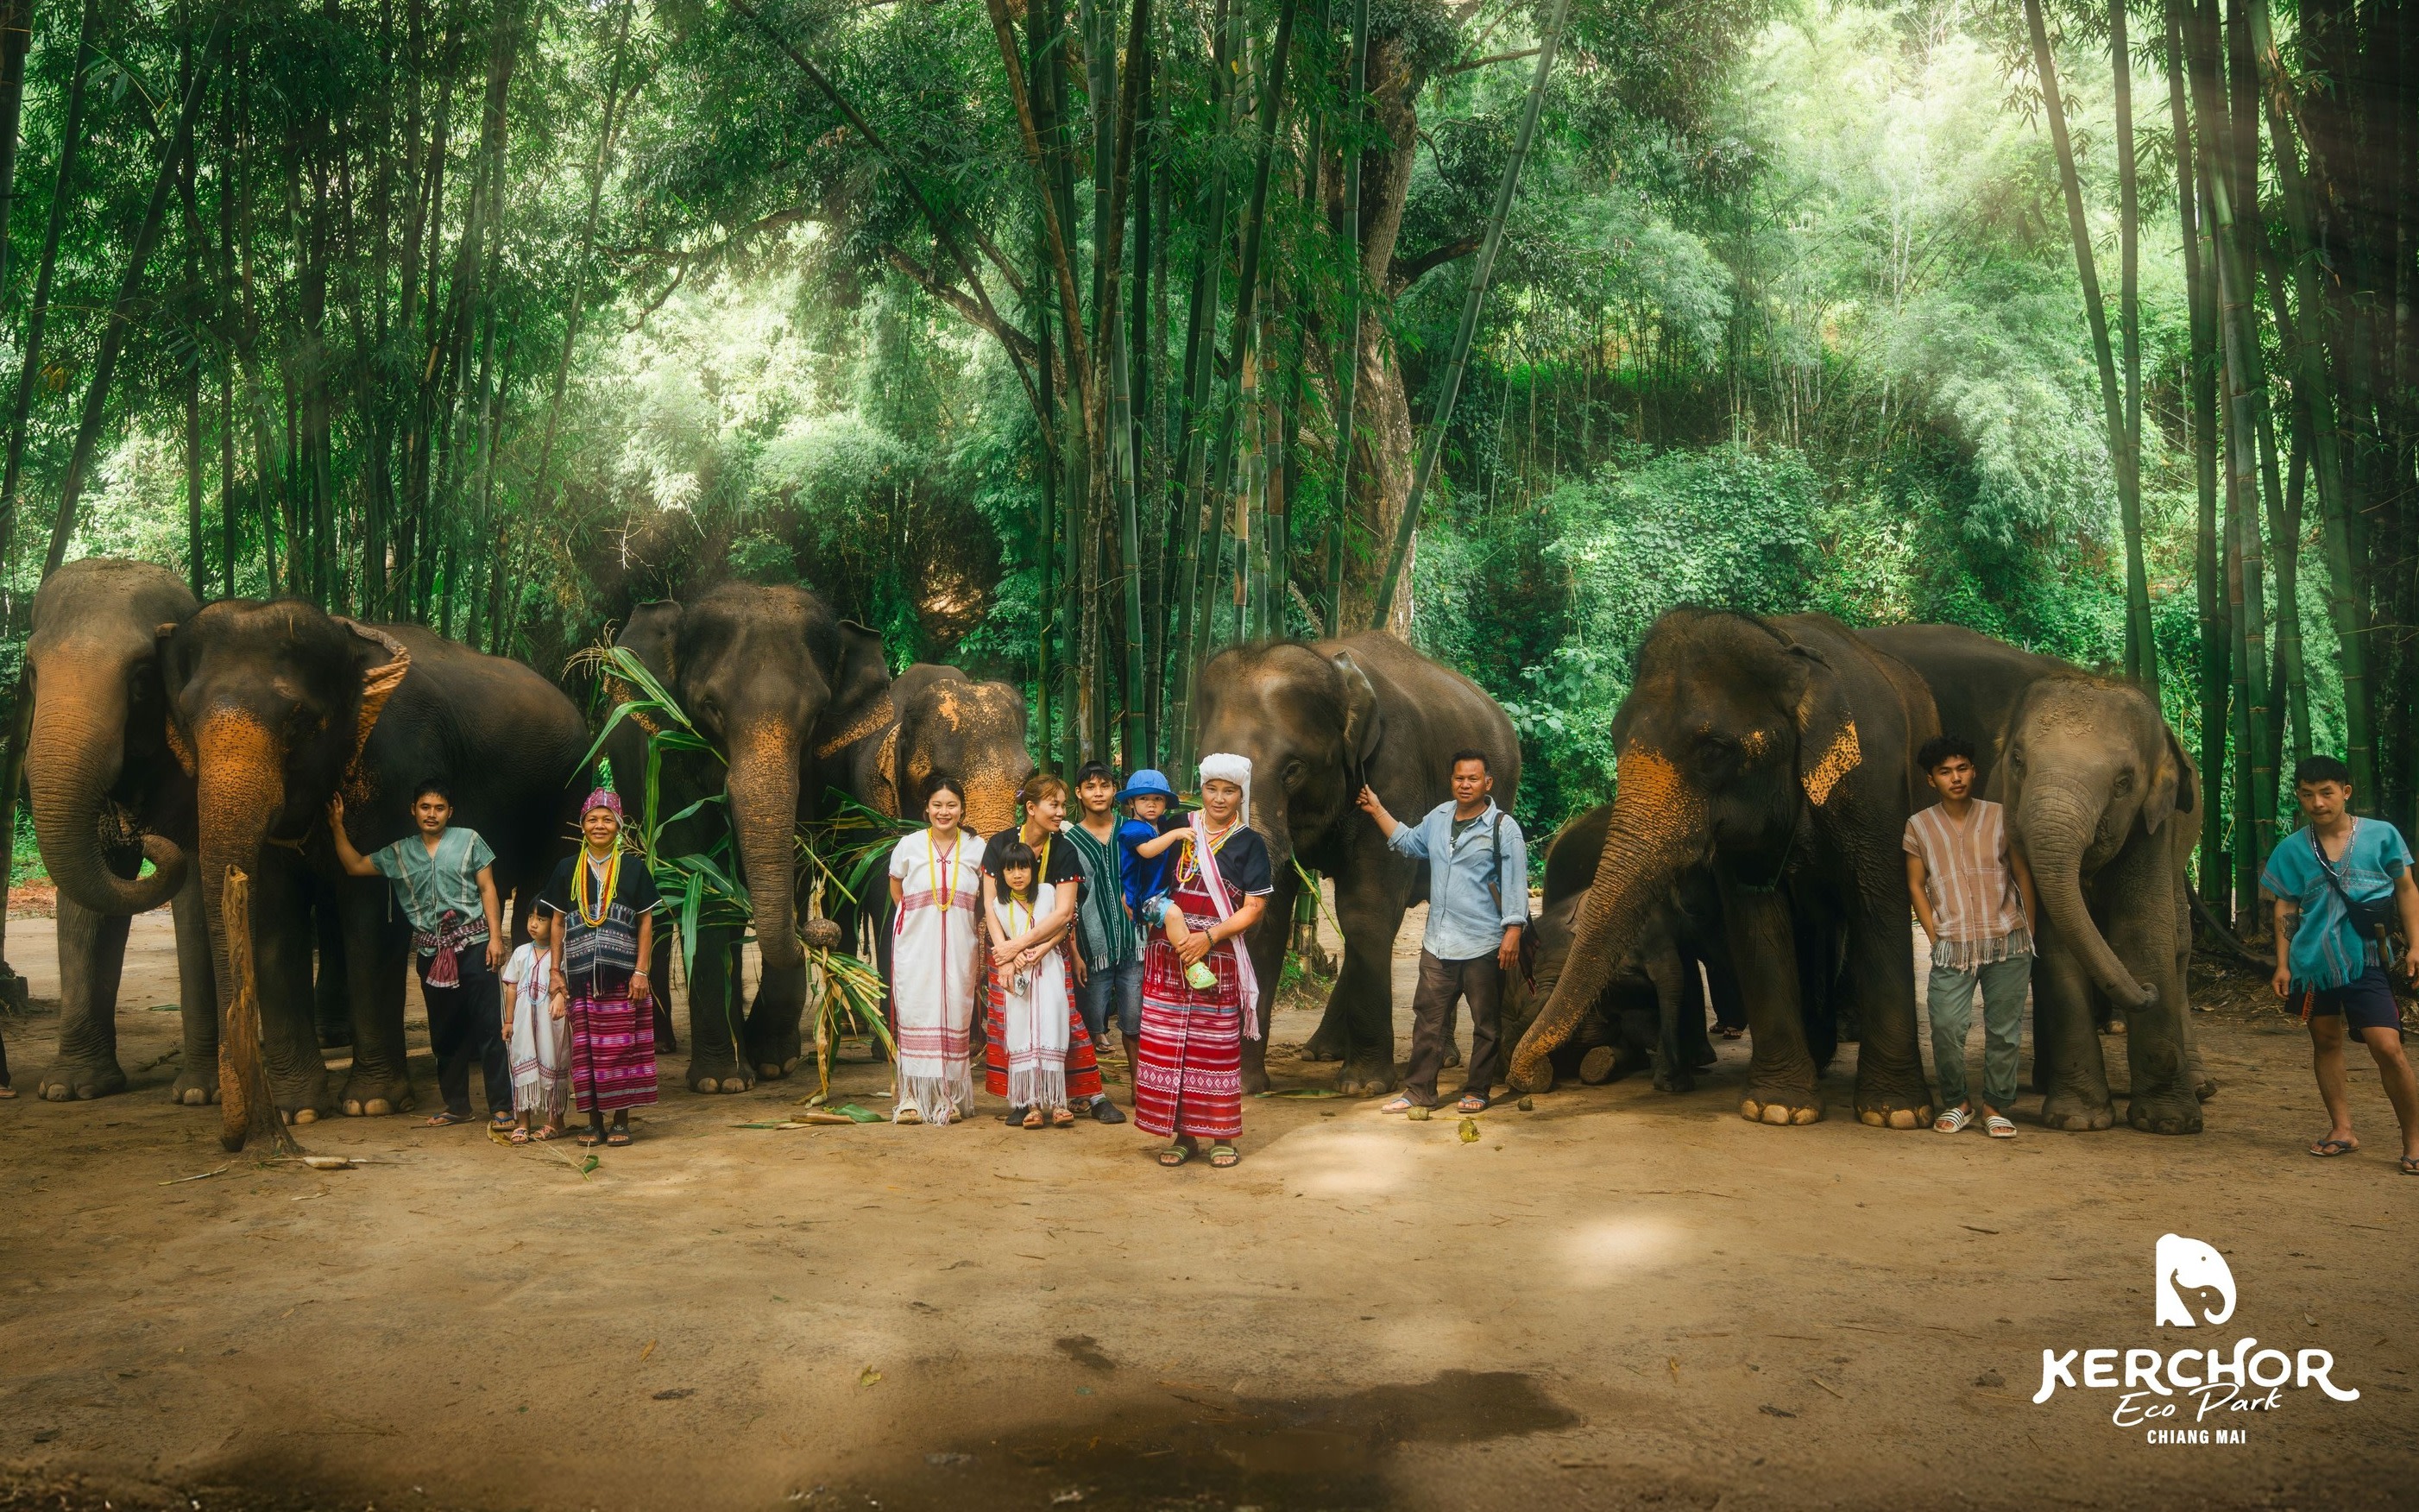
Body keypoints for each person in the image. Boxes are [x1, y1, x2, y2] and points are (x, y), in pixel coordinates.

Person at [2261, 754, 2419, 1174]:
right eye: (2307, 794)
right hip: (2312, 963)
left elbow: (2406, 889)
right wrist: (2282, 965)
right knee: (2326, 1041)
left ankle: (2415, 1141)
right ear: (2299, 797)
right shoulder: (2291, 849)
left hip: (2366, 959)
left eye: (2326, 793)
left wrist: (2416, 945)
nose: (2317, 802)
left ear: (2345, 792)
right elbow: (2285, 906)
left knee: (2388, 1047)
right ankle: (2342, 1129)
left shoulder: (2381, 835)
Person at [329, 782, 509, 1129]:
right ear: (413, 809)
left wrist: (496, 939)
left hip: (474, 946)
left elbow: (488, 888)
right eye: (425, 807)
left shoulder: (470, 840)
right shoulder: (400, 853)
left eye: (439, 808)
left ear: (450, 812)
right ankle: (457, 1107)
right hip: (432, 953)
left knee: (489, 1027)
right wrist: (337, 826)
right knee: (444, 1032)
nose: (431, 814)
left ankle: (502, 1107)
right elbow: (354, 865)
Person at [1356, 750, 1527, 1115]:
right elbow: (1408, 842)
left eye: (1473, 779)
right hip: (1439, 941)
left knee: (1485, 1024)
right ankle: (1419, 1092)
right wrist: (1377, 809)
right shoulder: (1438, 818)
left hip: (1483, 942)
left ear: (1488, 783)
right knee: (1428, 1021)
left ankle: (1477, 1090)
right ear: (1452, 781)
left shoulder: (1503, 828)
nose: (1465, 785)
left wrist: (1513, 929)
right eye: (1459, 778)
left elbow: (1515, 882)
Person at [1128, 754, 1270, 1169]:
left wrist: (1208, 937)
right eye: (1212, 789)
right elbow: (1143, 870)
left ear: (1241, 795)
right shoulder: (1177, 827)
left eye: (1229, 791)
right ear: (1200, 790)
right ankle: (1184, 1136)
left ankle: (1222, 1135)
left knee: (1215, 1049)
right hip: (1169, 955)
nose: (1219, 798)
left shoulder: (1250, 843)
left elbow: (1254, 907)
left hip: (1217, 956)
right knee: (1171, 1047)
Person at [1902, 734, 2037, 1139]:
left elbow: (2021, 873)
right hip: (1953, 946)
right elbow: (1915, 885)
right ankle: (1957, 1102)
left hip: (2007, 939)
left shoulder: (2001, 817)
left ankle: (1996, 1106)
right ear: (1931, 780)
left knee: (2004, 1031)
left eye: (1962, 768)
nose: (1956, 778)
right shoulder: (1919, 826)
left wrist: (2030, 928)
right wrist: (1935, 935)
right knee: (1945, 1025)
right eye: (1945, 772)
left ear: (1974, 771)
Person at [540, 774, 661, 1148]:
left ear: (619, 826)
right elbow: (557, 921)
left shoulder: (634, 869)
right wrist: (556, 972)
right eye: (592, 819)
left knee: (623, 1048)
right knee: (588, 1052)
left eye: (608, 819)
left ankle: (621, 1121)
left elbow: (646, 922)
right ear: (582, 826)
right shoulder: (566, 869)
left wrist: (641, 971)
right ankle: (594, 1123)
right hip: (580, 979)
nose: (599, 825)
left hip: (623, 979)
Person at [980, 772, 1105, 1124]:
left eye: (1064, 805)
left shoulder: (1063, 849)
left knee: (1063, 1019)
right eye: (1054, 805)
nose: (1061, 812)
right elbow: (990, 904)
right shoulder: (1000, 843)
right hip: (1005, 945)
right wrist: (1005, 955)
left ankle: (1083, 1094)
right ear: (1031, 808)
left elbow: (1064, 913)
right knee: (1011, 1022)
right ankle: (1024, 1099)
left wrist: (1021, 947)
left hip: (1049, 950)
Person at [885, 777, 986, 1126]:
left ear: (962, 809)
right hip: (915, 944)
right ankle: (912, 1098)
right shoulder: (909, 845)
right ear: (926, 808)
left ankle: (949, 1097)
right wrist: (916, 921)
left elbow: (985, 895)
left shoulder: (976, 846)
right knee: (916, 1011)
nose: (944, 812)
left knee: (955, 1012)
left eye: (951, 805)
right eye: (937, 805)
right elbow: (896, 887)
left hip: (960, 944)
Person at [1061, 761, 1138, 1121]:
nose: (1098, 793)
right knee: (1090, 1021)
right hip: (1093, 948)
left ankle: (1139, 1084)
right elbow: (1069, 902)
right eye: (1090, 787)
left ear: (1114, 791)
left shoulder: (1131, 831)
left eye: (1104, 786)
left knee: (1135, 1020)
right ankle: (1091, 1090)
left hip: (1135, 941)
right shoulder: (1069, 840)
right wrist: (1075, 950)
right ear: (1079, 793)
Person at [986, 841, 1081, 1129]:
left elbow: (1065, 925)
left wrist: (1044, 947)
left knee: (1053, 1027)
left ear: (1033, 869)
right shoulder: (998, 905)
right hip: (1020, 977)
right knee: (1022, 1033)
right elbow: (1001, 942)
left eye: (1023, 867)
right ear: (1002, 873)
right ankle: (1033, 1105)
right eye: (1010, 869)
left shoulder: (1049, 893)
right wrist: (1012, 957)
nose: (1017, 875)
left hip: (1049, 968)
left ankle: (1058, 1103)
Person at [500, 911, 569, 1143]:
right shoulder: (521, 952)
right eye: (530, 917)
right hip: (523, 1023)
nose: (533, 924)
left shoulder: (562, 954)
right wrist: (509, 1021)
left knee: (553, 1062)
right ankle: (523, 1123)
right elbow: (511, 988)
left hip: (552, 1022)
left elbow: (566, 986)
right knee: (523, 1066)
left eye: (541, 919)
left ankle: (556, 1122)